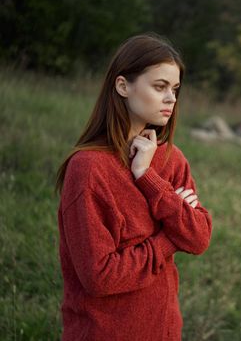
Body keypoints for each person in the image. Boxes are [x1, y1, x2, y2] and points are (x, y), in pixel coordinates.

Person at [54, 32, 213, 340]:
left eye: (176, 89)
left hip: (164, 330)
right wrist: (169, 239)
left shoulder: (171, 159)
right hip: (104, 332)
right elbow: (100, 277)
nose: (171, 99)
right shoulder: (88, 168)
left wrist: (148, 179)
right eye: (160, 87)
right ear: (123, 86)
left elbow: (199, 237)